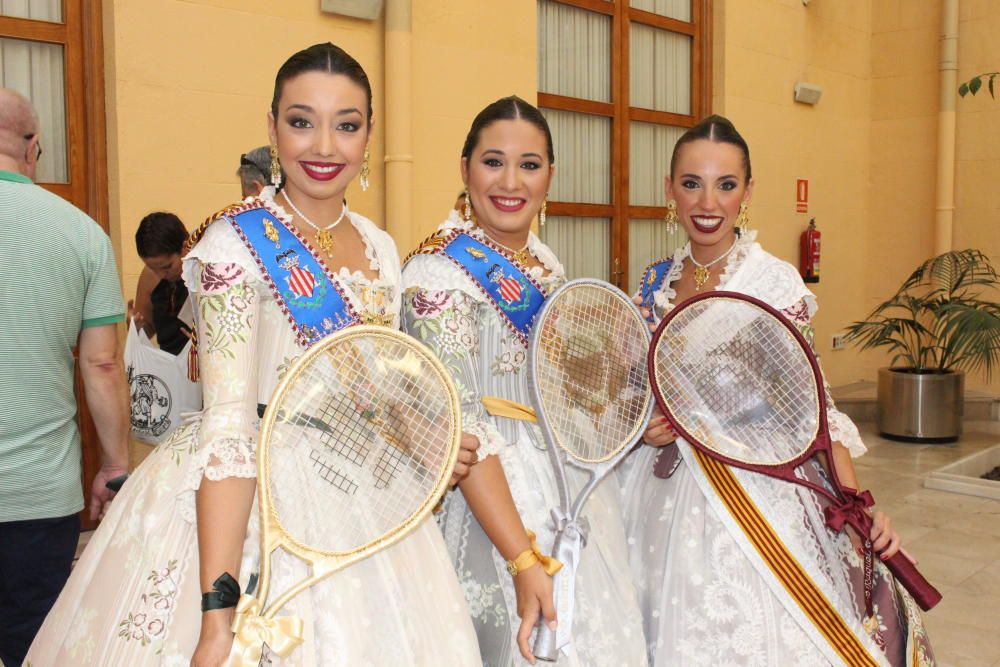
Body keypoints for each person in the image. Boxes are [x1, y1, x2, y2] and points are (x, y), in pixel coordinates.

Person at [26, 43, 482, 666]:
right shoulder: (233, 243)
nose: (324, 146)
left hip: (357, 492)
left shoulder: (380, 246)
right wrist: (218, 617)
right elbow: (229, 432)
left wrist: (424, 435)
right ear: (272, 129)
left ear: (368, 136)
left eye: (346, 125)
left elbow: (370, 387)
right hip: (246, 478)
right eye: (301, 121)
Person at [620, 115, 934, 666]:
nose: (707, 201)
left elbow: (814, 408)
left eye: (726, 184)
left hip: (760, 485)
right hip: (665, 489)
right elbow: (636, 388)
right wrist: (641, 424)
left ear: (748, 191)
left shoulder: (771, 281)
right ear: (669, 189)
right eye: (691, 183)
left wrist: (856, 506)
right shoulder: (653, 281)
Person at [402, 95, 648, 666]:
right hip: (490, 495)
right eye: (493, 162)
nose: (510, 181)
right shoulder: (436, 275)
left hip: (566, 478)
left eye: (529, 165)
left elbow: (555, 382)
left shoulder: (543, 260)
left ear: (550, 177)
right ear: (464, 168)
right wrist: (521, 558)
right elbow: (462, 426)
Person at [0, 87, 130, 667]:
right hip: (40, 495)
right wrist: (115, 464)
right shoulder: (82, 234)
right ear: (35, 148)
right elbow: (101, 365)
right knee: (34, 641)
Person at [129, 211, 192, 355]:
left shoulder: (207, 272)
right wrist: (135, 328)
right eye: (153, 268)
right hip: (167, 366)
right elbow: (148, 327)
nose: (161, 275)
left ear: (185, 247)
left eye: (167, 266)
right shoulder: (150, 276)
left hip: (202, 366)